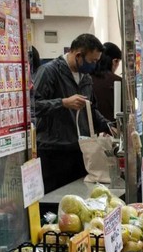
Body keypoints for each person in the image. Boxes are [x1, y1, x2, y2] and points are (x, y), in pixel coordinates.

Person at [34, 33, 114, 193]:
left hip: (80, 150)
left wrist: (109, 126)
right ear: (78, 55)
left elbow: (91, 109)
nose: (94, 66)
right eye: (92, 61)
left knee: (80, 198)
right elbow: (33, 107)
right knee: (55, 202)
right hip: (54, 151)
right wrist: (63, 103)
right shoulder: (49, 72)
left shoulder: (86, 78)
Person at [92, 42, 123, 122]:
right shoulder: (118, 81)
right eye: (118, 62)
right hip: (114, 129)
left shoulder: (87, 78)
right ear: (114, 61)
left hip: (91, 129)